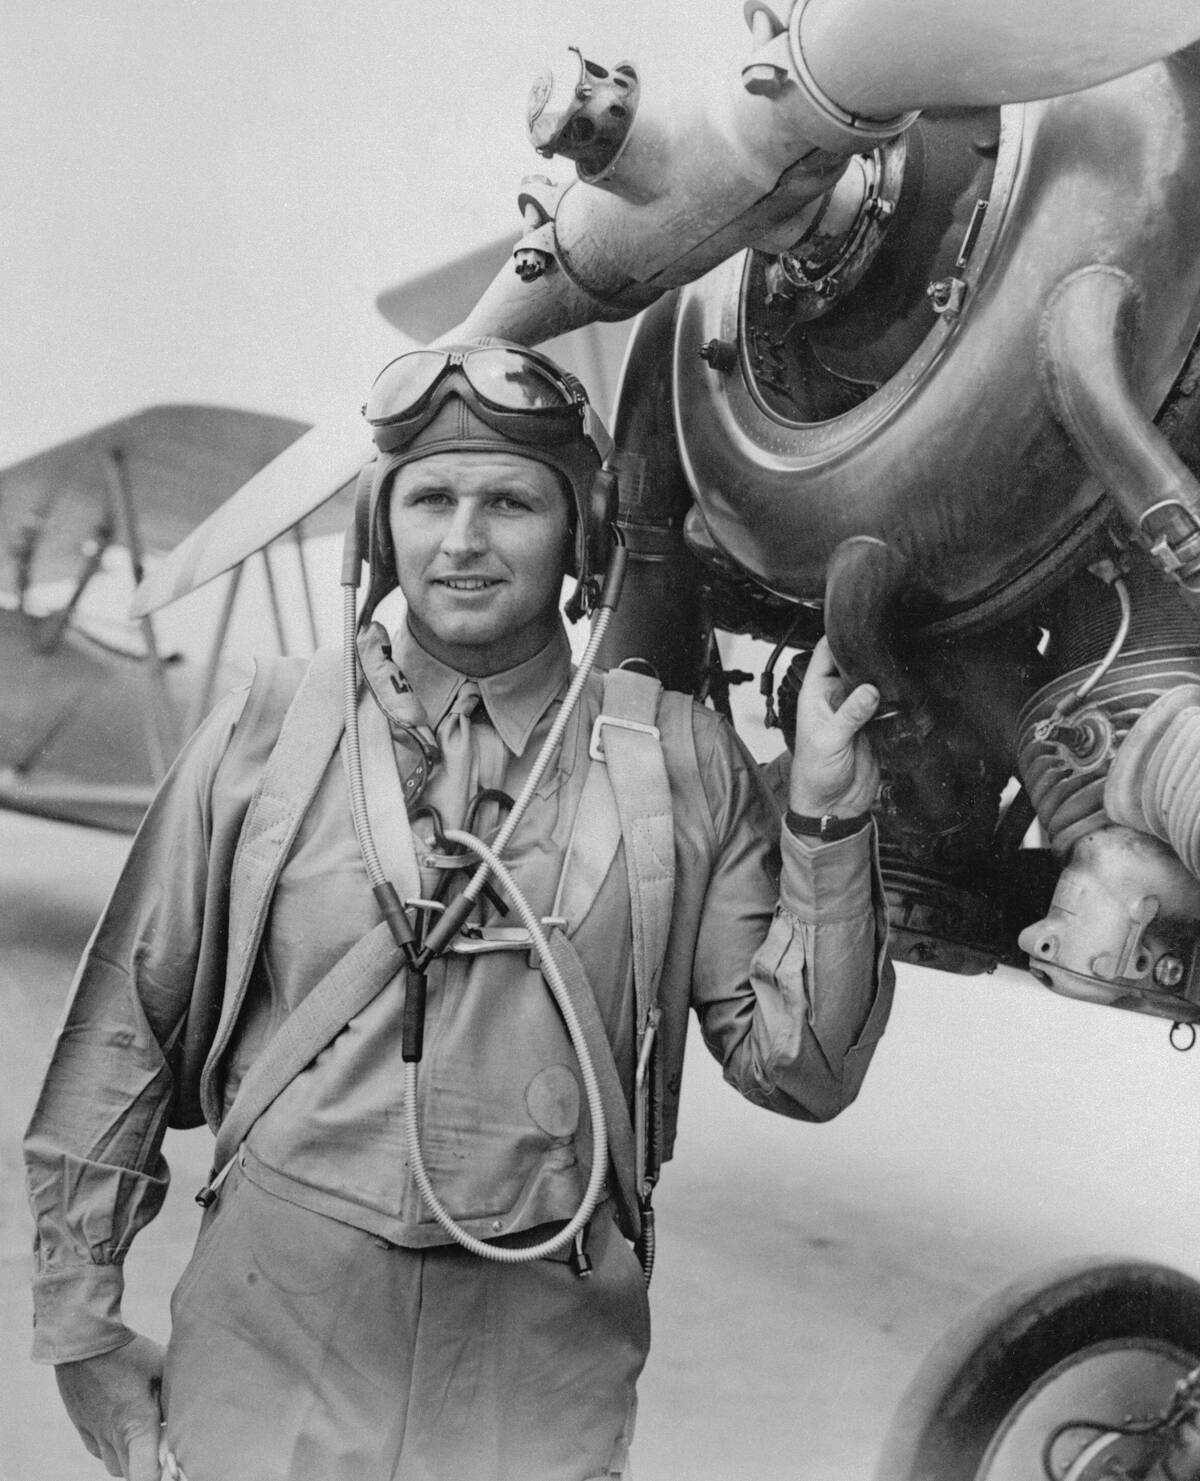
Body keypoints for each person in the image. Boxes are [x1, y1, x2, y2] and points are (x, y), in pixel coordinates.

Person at [25, 340, 894, 1481]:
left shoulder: (679, 758)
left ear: (579, 533)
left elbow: (804, 1067)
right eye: (430, 498)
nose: (465, 538)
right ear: (383, 533)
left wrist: (828, 823)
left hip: (537, 1373)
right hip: (273, 1334)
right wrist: (78, 1315)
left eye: (511, 502)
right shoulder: (269, 727)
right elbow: (123, 1026)